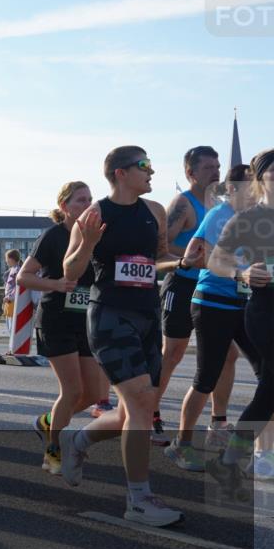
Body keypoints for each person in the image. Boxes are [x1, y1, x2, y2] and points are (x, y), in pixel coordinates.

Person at [59, 146, 192, 527]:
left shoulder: (155, 211)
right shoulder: (94, 214)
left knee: (134, 409)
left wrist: (182, 262)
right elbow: (71, 271)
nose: (152, 172)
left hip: (147, 315)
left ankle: (77, 441)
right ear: (120, 172)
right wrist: (88, 242)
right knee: (140, 403)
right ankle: (139, 499)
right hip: (110, 315)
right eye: (144, 165)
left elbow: (158, 257)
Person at [164, 165, 260, 471]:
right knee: (206, 378)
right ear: (231, 189)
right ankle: (181, 445)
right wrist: (237, 271)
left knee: (268, 375)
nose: (256, 192)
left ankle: (255, 448)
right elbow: (195, 255)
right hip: (212, 303)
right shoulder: (219, 215)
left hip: (243, 304)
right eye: (250, 186)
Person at [17, 182, 104, 475]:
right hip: (56, 320)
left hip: (86, 321)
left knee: (94, 393)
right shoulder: (53, 236)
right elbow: (24, 277)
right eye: (81, 200)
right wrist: (55, 284)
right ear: (64, 206)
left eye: (90, 199)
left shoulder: (97, 233)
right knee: (72, 390)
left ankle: (47, 421)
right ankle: (53, 450)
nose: (88, 205)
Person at [205, 149, 274, 492]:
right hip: (265, 312)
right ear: (260, 179)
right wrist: (242, 273)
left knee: (270, 389)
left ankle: (234, 459)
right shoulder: (248, 218)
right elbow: (216, 261)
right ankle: (232, 459)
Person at [153, 146, 221, 446]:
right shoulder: (183, 203)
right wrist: (196, 255)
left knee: (226, 355)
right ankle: (149, 412)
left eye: (218, 167)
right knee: (173, 354)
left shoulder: (219, 204)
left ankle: (218, 421)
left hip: (210, 288)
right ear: (190, 173)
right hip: (181, 284)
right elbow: (160, 247)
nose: (216, 172)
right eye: (209, 168)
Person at [2, 249, 22, 336]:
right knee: (10, 327)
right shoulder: (13, 270)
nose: (6, 261)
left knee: (12, 328)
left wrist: (9, 297)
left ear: (11, 259)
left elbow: (17, 287)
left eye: (7, 259)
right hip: (10, 302)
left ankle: (13, 344)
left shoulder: (17, 270)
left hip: (12, 301)